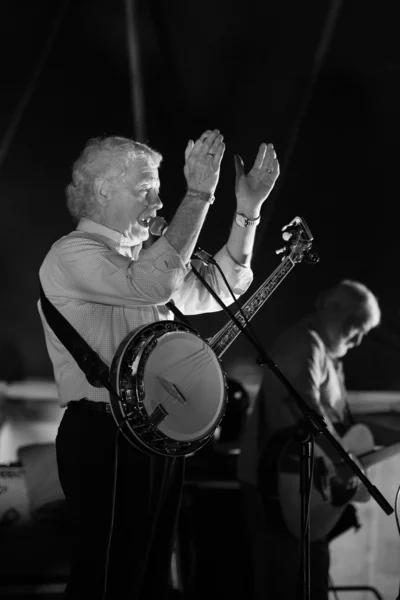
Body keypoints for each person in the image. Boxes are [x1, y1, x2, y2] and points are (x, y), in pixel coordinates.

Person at [38, 128, 280, 599]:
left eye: (158, 188)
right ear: (103, 190)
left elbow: (227, 286)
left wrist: (247, 209)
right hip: (102, 433)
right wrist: (198, 195)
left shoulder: (147, 258)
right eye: (144, 187)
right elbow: (153, 285)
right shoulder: (72, 254)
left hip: (154, 435)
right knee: (106, 580)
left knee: (149, 578)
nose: (156, 198)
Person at [238, 279, 381, 600]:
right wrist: (346, 465)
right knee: (291, 584)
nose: (359, 341)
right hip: (280, 489)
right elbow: (304, 416)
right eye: (356, 327)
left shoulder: (322, 351)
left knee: (304, 581)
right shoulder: (305, 345)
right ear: (333, 309)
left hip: (299, 488)